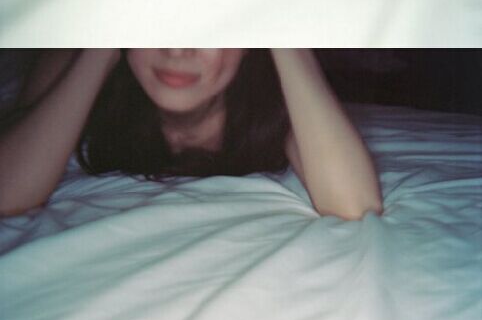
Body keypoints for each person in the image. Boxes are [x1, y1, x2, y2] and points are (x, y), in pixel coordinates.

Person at [0, 49, 383, 220]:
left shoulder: (269, 97)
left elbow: (354, 206)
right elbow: (7, 195)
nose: (178, 49)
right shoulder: (71, 63)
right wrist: (101, 50)